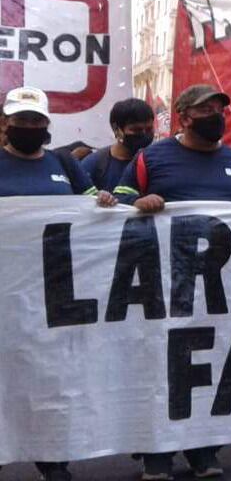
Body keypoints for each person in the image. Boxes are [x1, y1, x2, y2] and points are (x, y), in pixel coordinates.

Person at [114, 84, 231, 480]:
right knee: (161, 367)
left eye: (220, 107)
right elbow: (114, 204)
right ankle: (157, 452)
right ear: (183, 116)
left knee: (213, 368)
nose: (216, 115)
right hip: (164, 286)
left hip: (223, 290)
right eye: (206, 109)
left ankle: (203, 447)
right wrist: (137, 203)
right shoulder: (151, 157)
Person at [0, 87, 116, 481]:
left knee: (51, 375)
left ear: (47, 125)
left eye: (35, 120)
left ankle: (53, 459)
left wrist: (101, 202)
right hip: (6, 293)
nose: (28, 127)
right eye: (21, 120)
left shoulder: (64, 164)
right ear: (7, 124)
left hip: (54, 292)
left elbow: (88, 202)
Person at [81, 98, 155, 193]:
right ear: (116, 129)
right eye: (136, 130)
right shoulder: (94, 164)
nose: (144, 134)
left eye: (149, 129)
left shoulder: (158, 160)